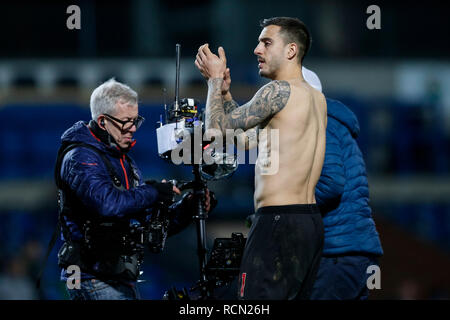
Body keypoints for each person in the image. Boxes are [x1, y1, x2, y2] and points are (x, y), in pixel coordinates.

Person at [195, 17, 327, 300]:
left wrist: (213, 82)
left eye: (266, 42)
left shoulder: (278, 91)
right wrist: (226, 94)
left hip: (278, 221)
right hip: (308, 223)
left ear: (291, 50)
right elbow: (243, 140)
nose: (257, 49)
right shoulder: (314, 99)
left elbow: (215, 133)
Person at [55, 78, 211, 300]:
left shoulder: (122, 159)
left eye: (135, 120)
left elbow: (145, 223)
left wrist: (186, 209)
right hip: (89, 276)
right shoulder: (80, 156)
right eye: (126, 121)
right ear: (102, 122)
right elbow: (107, 204)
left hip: (117, 275)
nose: (133, 128)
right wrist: (154, 191)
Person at [308, 89, 384, 299]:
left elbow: (331, 184)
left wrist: (292, 203)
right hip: (361, 254)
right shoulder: (338, 126)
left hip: (338, 254)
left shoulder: (321, 123)